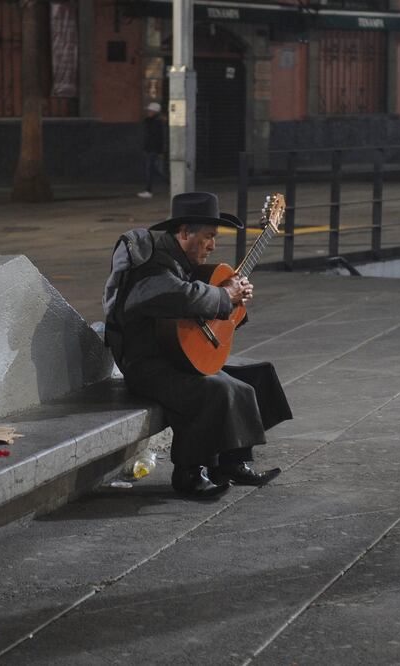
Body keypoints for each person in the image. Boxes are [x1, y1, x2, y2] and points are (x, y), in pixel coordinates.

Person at [108, 192, 291, 498]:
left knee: (254, 379)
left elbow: (202, 309)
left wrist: (234, 303)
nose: (213, 244)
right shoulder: (151, 260)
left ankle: (232, 463)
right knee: (219, 389)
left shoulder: (184, 260)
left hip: (174, 355)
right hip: (146, 365)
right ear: (183, 233)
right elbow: (177, 294)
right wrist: (224, 296)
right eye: (208, 236)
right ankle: (189, 473)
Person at [137, 102, 164, 199]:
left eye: (150, 111)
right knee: (154, 170)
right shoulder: (152, 121)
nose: (148, 112)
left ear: (154, 112)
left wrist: (158, 151)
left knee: (149, 170)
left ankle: (148, 191)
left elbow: (157, 138)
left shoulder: (156, 122)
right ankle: (171, 185)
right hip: (151, 149)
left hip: (152, 149)